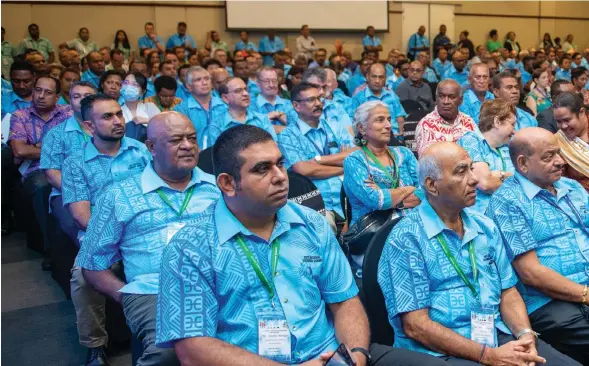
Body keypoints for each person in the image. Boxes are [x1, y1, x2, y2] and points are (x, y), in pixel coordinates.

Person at [155, 124, 444, 366]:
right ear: (228, 184)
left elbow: (344, 302)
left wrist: (353, 357)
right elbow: (192, 348)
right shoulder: (190, 246)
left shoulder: (312, 224)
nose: (281, 177)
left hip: (332, 355)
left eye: (280, 163)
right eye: (262, 169)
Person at [379, 141, 580, 366]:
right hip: (440, 352)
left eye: (471, 168)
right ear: (432, 185)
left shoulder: (484, 226)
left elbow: (508, 291)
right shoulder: (406, 239)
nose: (474, 179)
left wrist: (525, 335)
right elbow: (416, 326)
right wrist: (489, 356)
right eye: (461, 171)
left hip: (496, 334)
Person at [75, 111, 220, 366]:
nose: (187, 146)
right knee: (170, 352)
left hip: (220, 282)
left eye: (192, 138)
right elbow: (92, 262)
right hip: (155, 289)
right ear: (151, 147)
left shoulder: (218, 189)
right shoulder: (119, 196)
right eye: (176, 140)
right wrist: (127, 296)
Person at [57, 93, 149, 366]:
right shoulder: (75, 163)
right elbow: (81, 215)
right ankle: (95, 345)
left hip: (142, 230)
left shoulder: (140, 151)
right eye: (107, 117)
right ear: (88, 126)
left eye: (119, 114)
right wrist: (117, 235)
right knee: (83, 278)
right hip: (102, 236)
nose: (117, 121)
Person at [486, 127, 589, 365]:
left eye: (558, 154)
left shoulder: (571, 188)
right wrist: (585, 294)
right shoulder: (508, 203)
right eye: (548, 157)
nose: (560, 162)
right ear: (522, 164)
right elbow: (531, 274)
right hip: (551, 302)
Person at [343, 100, 420, 268]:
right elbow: (376, 201)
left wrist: (390, 197)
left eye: (389, 119)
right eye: (380, 120)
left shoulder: (404, 153)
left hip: (413, 230)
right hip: (373, 236)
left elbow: (427, 192)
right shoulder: (355, 161)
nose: (388, 125)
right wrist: (409, 190)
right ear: (362, 128)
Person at [9, 76, 73, 269]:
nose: (41, 96)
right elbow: (20, 151)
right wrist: (54, 148)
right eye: (38, 90)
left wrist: (37, 146)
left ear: (57, 97)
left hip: (67, 166)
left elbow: (76, 145)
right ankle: (51, 250)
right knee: (43, 187)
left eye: (48, 92)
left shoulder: (68, 113)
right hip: (36, 171)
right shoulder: (20, 116)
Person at [278, 82, 356, 232]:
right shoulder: (288, 136)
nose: (318, 103)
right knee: (325, 227)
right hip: (317, 203)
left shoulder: (335, 126)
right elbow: (304, 170)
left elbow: (355, 155)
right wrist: (342, 165)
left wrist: (319, 160)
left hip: (349, 197)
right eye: (311, 100)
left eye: (319, 98)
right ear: (296, 105)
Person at [41, 81, 96, 246]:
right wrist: (81, 193)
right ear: (69, 102)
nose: (82, 100)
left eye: (87, 96)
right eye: (76, 96)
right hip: (67, 194)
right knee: (80, 226)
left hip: (105, 191)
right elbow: (52, 174)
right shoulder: (56, 134)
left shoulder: (106, 128)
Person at [457, 99, 516, 213]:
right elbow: (485, 183)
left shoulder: (506, 147)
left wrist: (498, 176)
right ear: (497, 122)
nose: (514, 131)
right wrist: (506, 175)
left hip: (511, 212)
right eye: (512, 124)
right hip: (482, 216)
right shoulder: (471, 140)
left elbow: (524, 181)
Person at [415, 80, 477, 157]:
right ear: (436, 98)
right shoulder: (426, 124)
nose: (446, 101)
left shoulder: (468, 121)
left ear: (460, 100)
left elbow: (479, 152)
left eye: (451, 97)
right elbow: (427, 163)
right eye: (441, 96)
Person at [209, 76, 277, 145]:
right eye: (238, 91)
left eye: (246, 89)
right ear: (225, 98)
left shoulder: (262, 119)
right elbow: (216, 154)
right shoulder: (216, 126)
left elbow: (274, 148)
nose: (246, 94)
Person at [173, 66, 227, 149]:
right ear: (189, 86)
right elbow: (182, 138)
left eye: (207, 78)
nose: (204, 83)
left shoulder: (224, 105)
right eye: (198, 80)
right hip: (195, 156)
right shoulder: (181, 110)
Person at [352, 63, 408, 135]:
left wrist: (401, 135)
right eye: (374, 76)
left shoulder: (392, 95)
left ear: (385, 78)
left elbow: (400, 118)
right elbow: (355, 123)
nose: (377, 81)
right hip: (371, 138)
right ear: (367, 77)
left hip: (394, 135)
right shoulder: (358, 98)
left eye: (381, 77)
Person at [552, 92, 589, 191]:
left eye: (567, 120)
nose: (563, 126)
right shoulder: (557, 141)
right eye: (558, 122)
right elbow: (559, 182)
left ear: (581, 112)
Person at [121, 72, 160, 141]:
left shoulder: (150, 107)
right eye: (126, 83)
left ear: (142, 91)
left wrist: (147, 120)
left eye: (134, 84)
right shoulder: (117, 110)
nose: (129, 87)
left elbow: (164, 125)